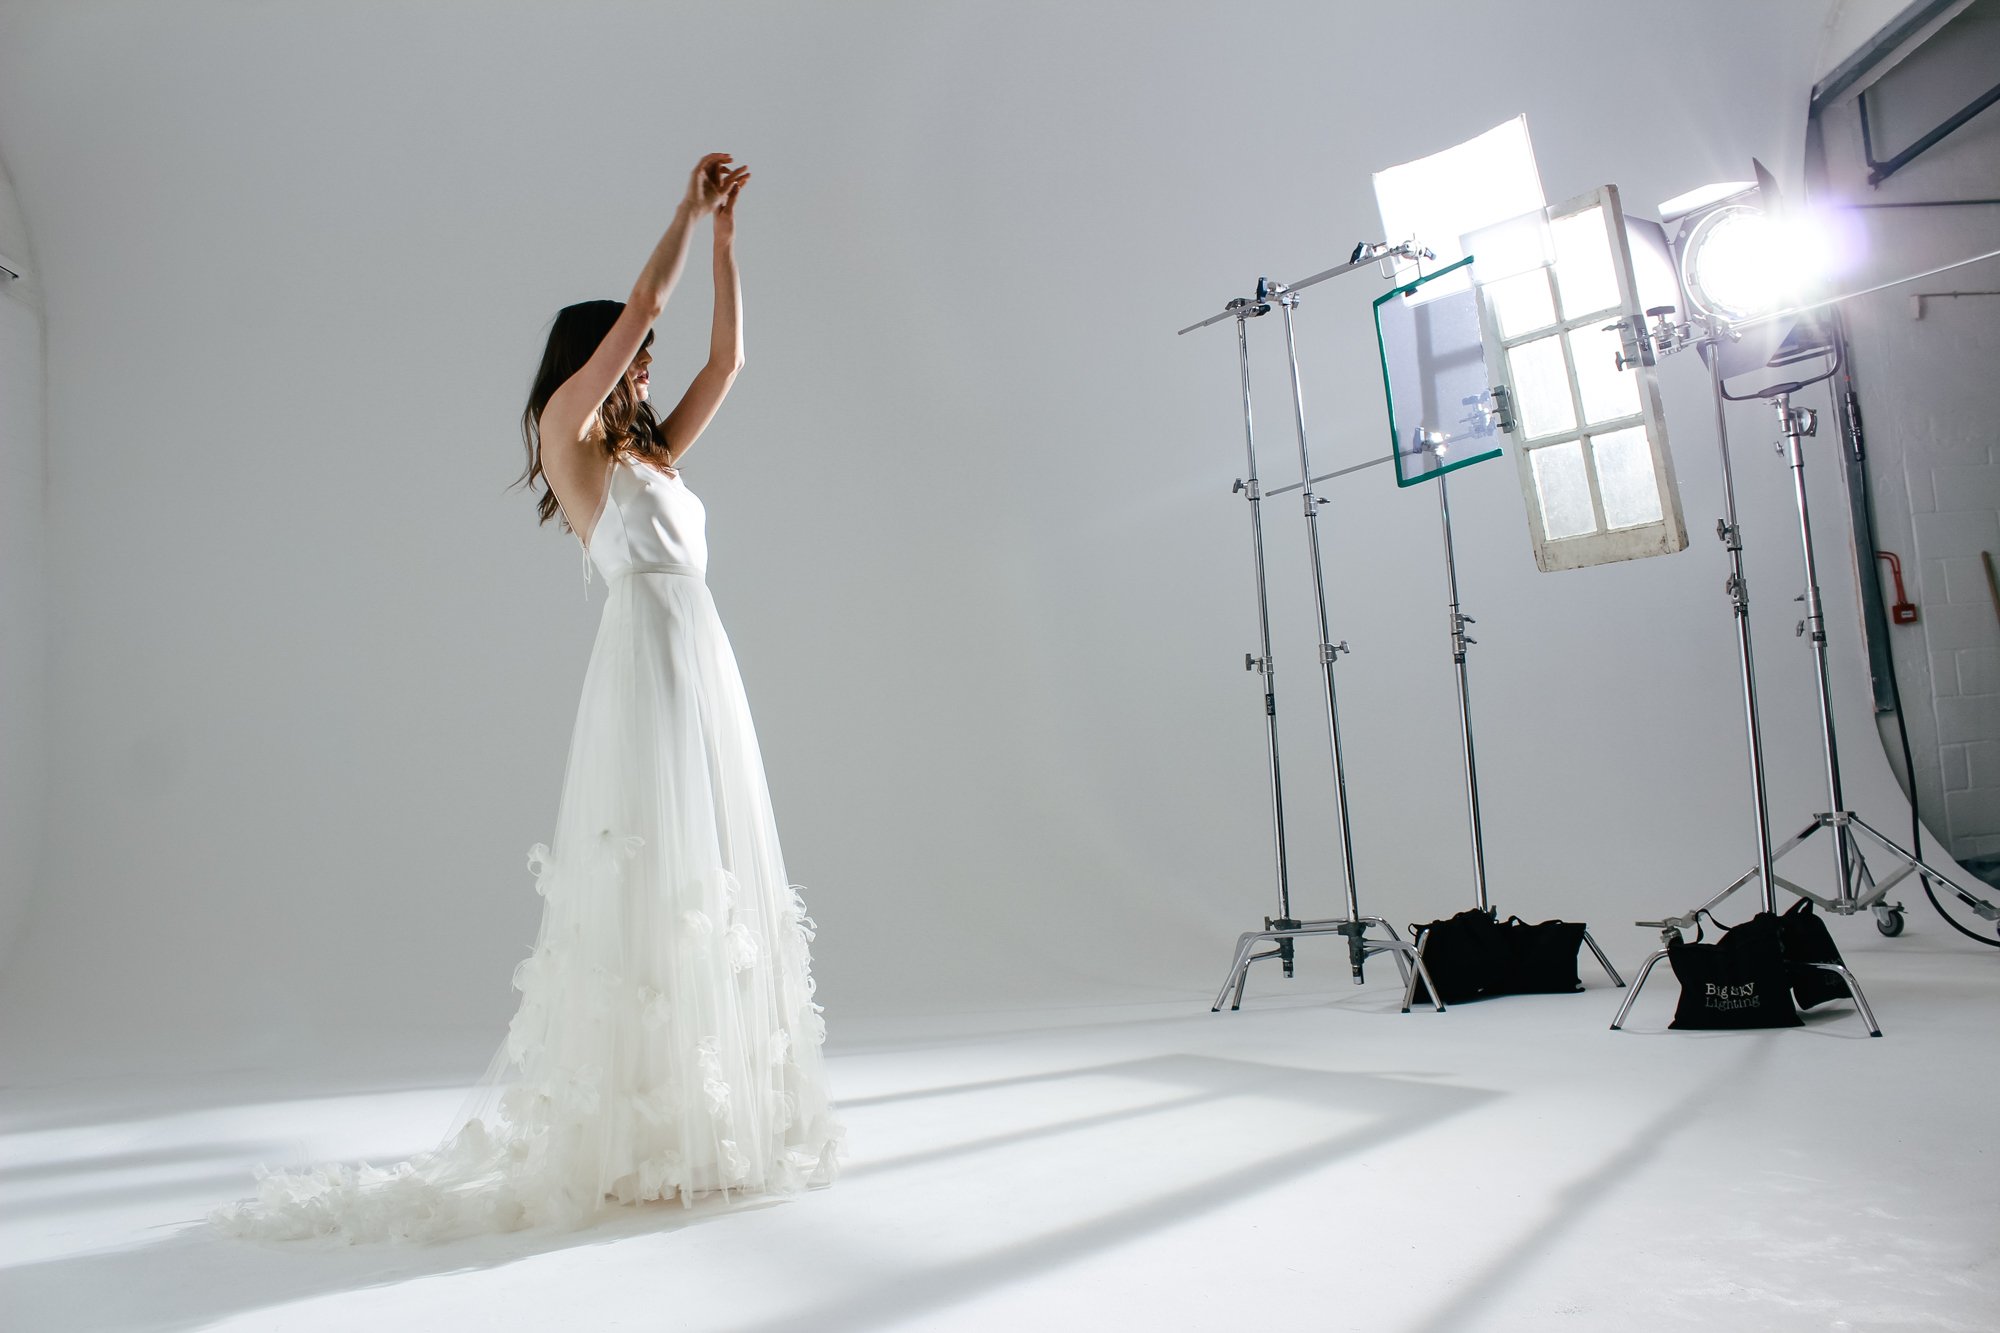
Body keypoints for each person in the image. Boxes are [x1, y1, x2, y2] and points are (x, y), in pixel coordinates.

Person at [210, 153, 843, 1243]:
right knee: (655, 862)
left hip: (703, 659)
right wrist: (684, 214)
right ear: (592, 364)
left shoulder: (656, 455)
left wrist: (730, 244)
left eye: (644, 364)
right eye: (630, 361)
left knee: (707, 865)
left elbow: (729, 360)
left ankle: (700, 1109)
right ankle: (636, 1121)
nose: (645, 372)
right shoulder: (569, 437)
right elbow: (644, 305)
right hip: (647, 658)